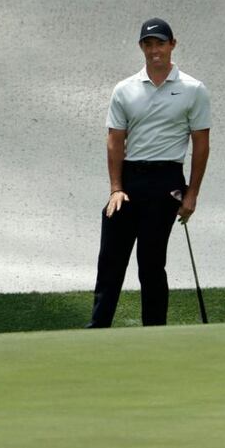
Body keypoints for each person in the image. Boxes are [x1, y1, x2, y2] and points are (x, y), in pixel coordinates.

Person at [86, 17, 211, 328]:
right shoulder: (125, 89)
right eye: (148, 44)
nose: (155, 49)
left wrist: (192, 193)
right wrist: (116, 188)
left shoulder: (193, 90)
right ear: (142, 47)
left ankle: (154, 331)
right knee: (110, 260)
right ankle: (97, 328)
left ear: (172, 45)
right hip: (129, 181)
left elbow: (201, 145)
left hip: (166, 180)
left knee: (151, 262)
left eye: (160, 43)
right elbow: (115, 141)